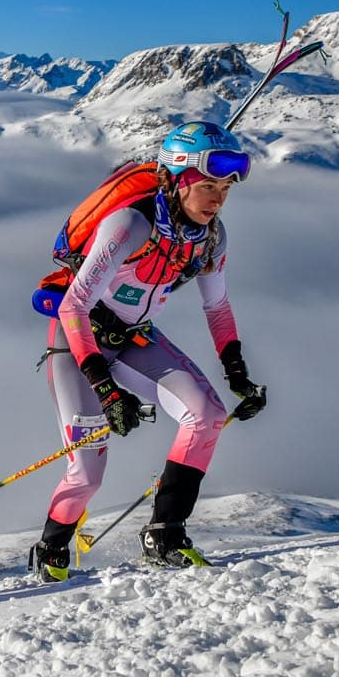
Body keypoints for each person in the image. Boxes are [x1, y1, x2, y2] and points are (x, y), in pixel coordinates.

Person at [31, 122, 267, 577]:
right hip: (79, 342)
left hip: (135, 336)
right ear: (178, 181)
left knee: (207, 415)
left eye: (225, 188)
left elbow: (217, 306)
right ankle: (52, 548)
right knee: (86, 474)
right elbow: (74, 306)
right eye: (207, 186)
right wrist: (104, 387)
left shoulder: (212, 238)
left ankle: (166, 533)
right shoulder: (129, 225)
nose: (218, 199)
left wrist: (236, 371)